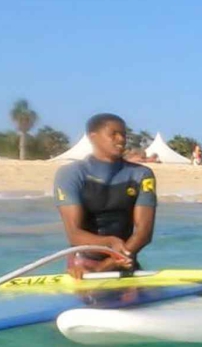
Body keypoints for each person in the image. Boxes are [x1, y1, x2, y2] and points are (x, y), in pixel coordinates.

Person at [53, 113, 156, 275]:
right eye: (113, 134)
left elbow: (144, 232)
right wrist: (109, 242)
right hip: (83, 264)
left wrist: (109, 264)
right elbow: (74, 234)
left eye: (123, 134)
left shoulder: (141, 175)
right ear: (93, 137)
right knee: (94, 301)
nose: (121, 139)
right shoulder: (71, 174)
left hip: (125, 260)